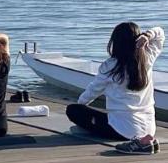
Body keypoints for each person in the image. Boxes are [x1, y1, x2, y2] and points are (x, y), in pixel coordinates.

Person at [67, 23, 164, 155]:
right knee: (114, 115)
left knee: (73, 110)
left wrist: (80, 105)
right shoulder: (148, 58)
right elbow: (160, 33)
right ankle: (145, 140)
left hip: (120, 131)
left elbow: (93, 90)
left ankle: (136, 142)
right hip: (149, 128)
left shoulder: (110, 66)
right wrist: (147, 35)